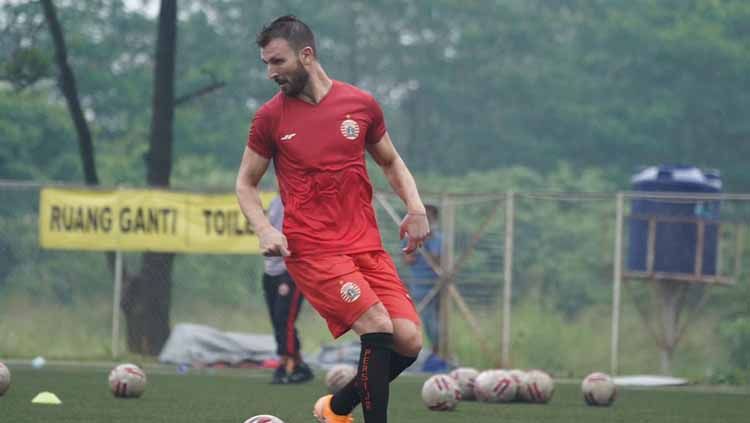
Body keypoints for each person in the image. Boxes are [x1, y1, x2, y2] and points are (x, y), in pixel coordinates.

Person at [236, 15, 430, 423]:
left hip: (366, 244)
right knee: (377, 326)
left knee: (409, 341)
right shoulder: (269, 118)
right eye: (266, 64)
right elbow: (245, 185)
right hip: (312, 249)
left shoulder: (360, 104)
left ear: (306, 55)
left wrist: (414, 208)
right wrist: (265, 227)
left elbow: (391, 161)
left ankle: (335, 409)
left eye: (278, 61)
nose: (271, 72)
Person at [261, 195, 313, 384]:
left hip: (290, 271)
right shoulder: (275, 202)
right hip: (270, 271)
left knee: (285, 320)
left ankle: (285, 365)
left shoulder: (299, 202)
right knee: (277, 321)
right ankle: (300, 366)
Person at [401, 204, 449, 372]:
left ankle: (439, 355)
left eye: (430, 217)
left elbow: (437, 260)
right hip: (417, 285)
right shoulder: (412, 237)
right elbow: (408, 259)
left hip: (435, 286)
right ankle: (409, 354)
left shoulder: (439, 239)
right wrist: (417, 241)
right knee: (412, 321)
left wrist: (427, 241)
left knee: (433, 323)